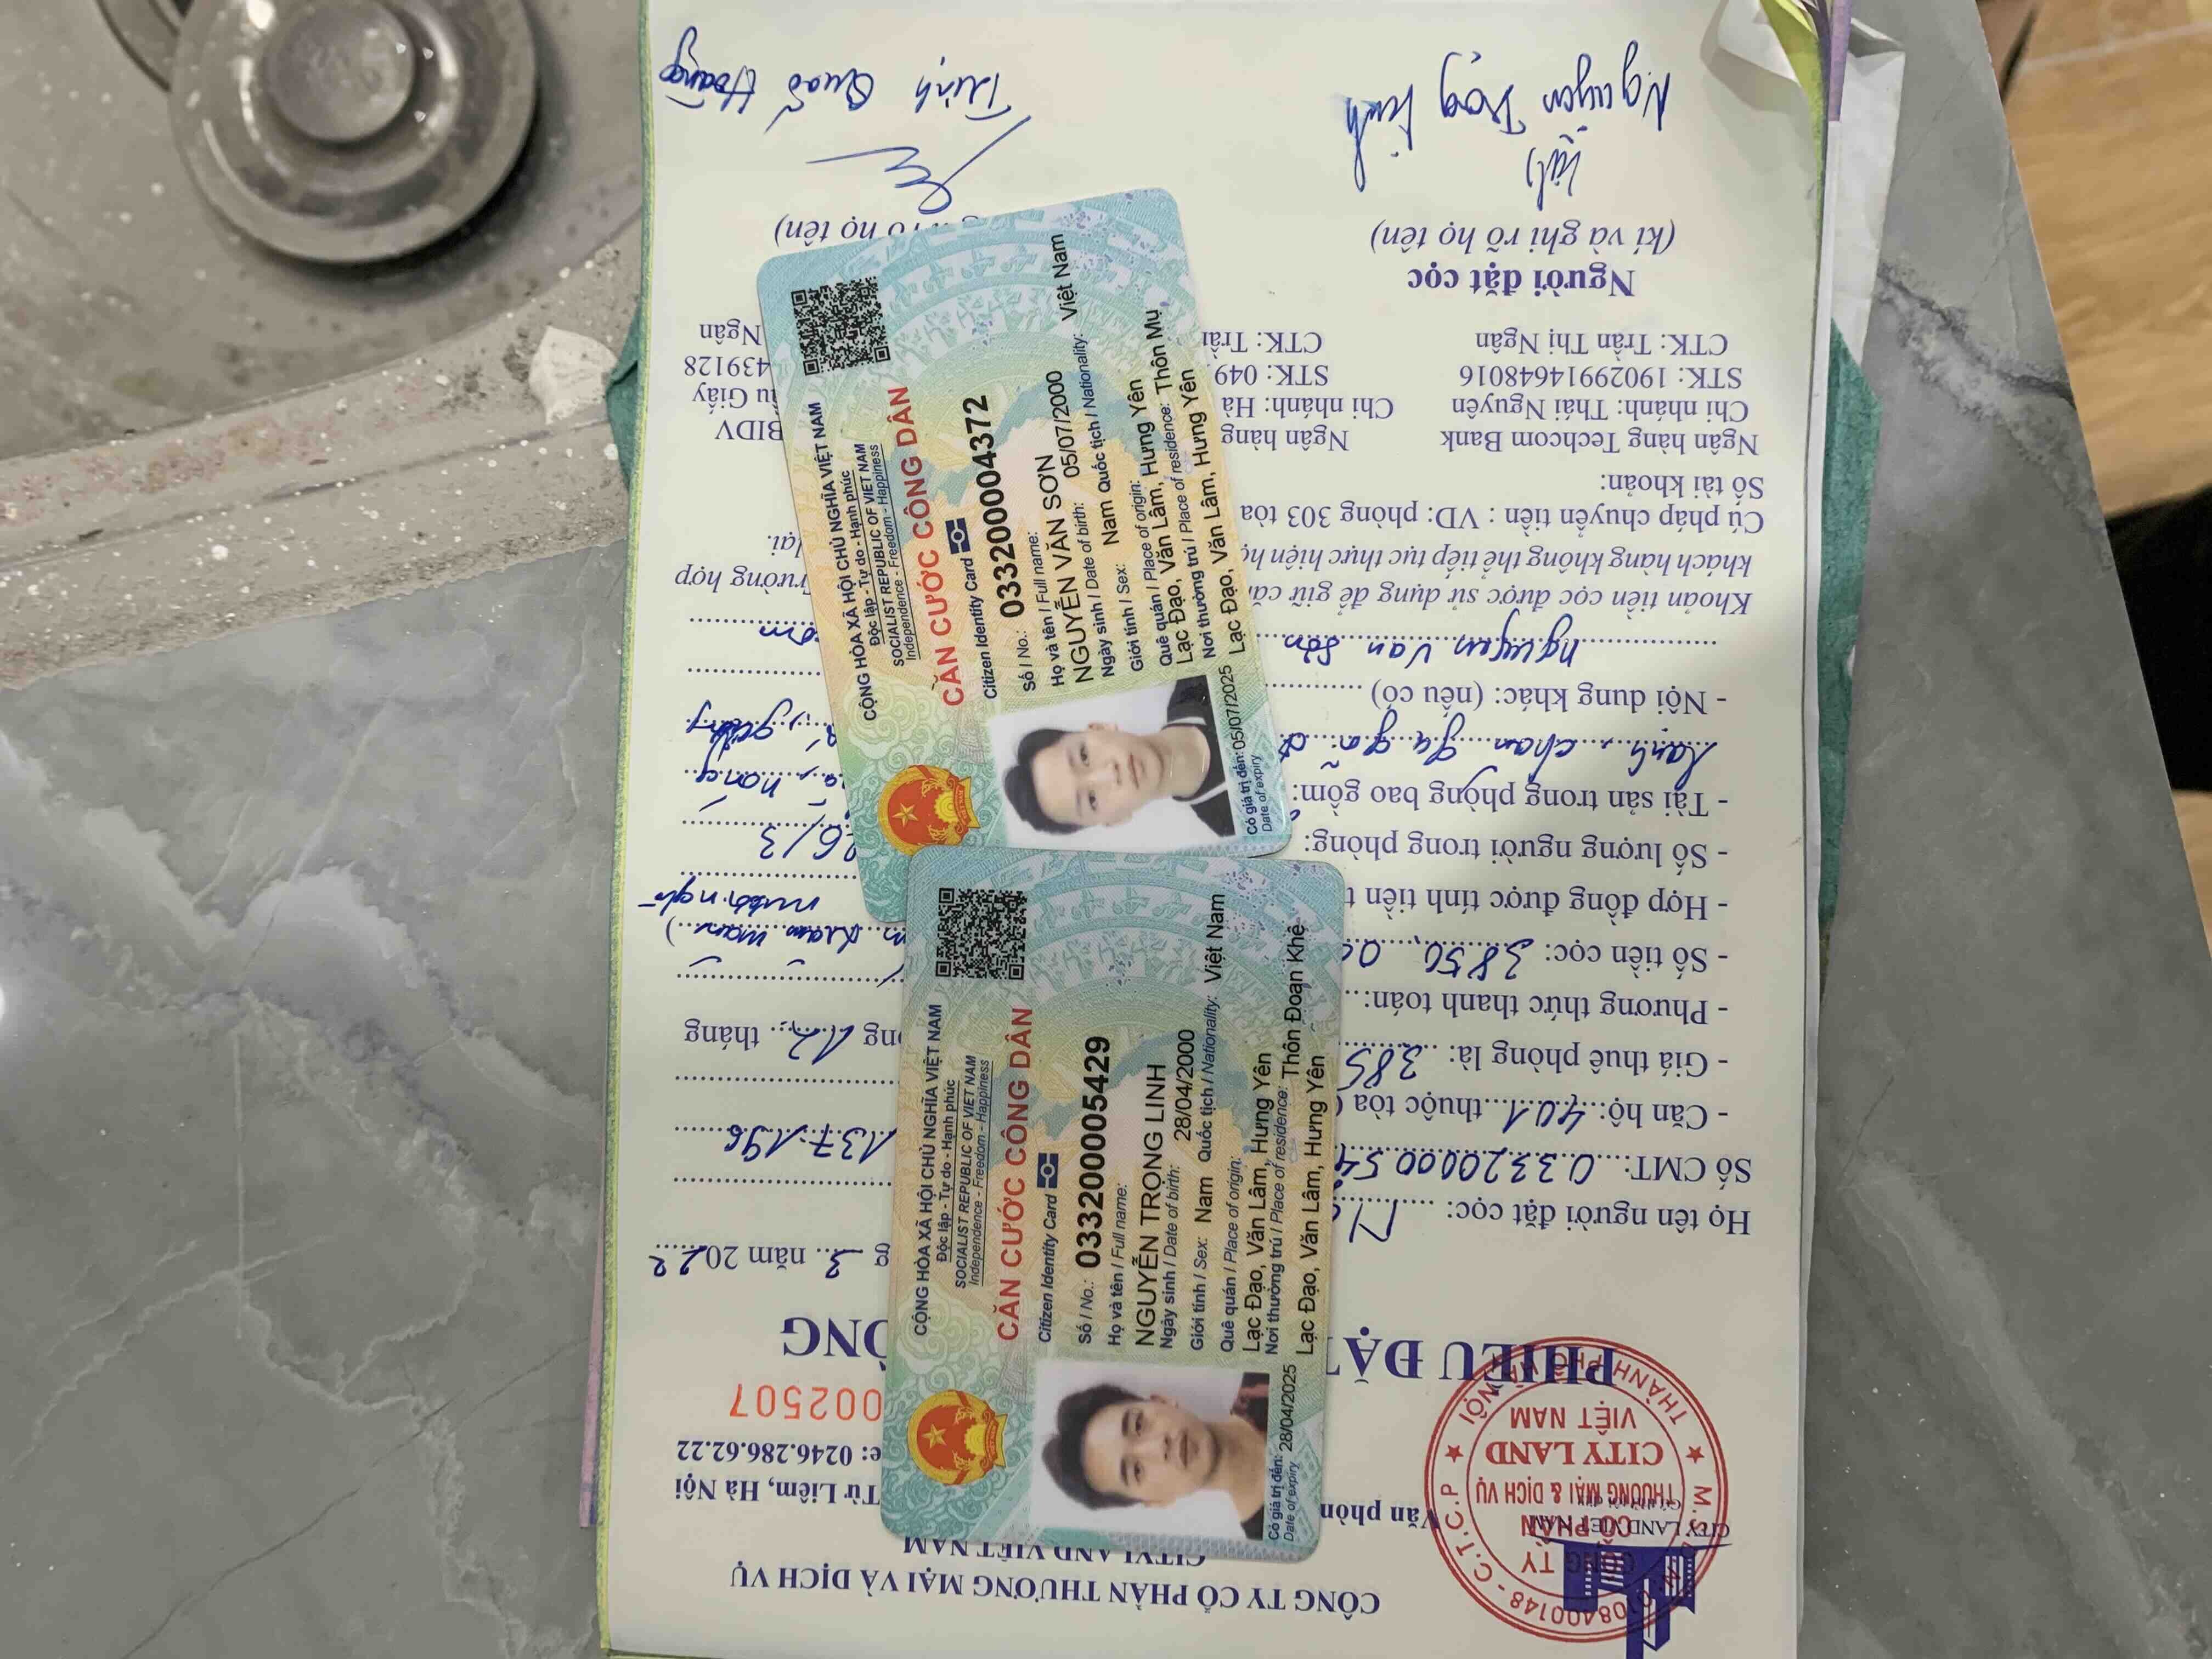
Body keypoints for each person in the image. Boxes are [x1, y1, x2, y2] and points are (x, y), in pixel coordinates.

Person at [1040, 1375, 1271, 1539]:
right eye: (1137, 1471)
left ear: (1162, 1401)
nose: (1159, 1447)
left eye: (1138, 1425)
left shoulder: (1268, 1371)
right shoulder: (1272, 1547)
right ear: (1158, 1501)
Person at [1002, 676, 1233, 838]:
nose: (1110, 774)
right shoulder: (1233, 824)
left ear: (1100, 728)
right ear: (1115, 820)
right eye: (1092, 799)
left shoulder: (1198, 677)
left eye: (1084, 756)